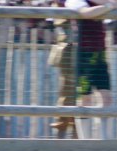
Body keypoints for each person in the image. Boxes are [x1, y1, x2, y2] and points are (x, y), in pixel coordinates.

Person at [65, 0, 117, 138]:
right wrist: (110, 5)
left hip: (100, 54)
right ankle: (85, 141)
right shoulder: (75, 1)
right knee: (85, 99)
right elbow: (85, 13)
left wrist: (115, 4)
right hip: (83, 54)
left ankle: (104, 141)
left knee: (106, 98)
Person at [49, 0, 76, 138]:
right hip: (67, 51)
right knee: (67, 88)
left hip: (76, 49)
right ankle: (64, 122)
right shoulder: (60, 5)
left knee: (74, 90)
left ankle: (70, 123)